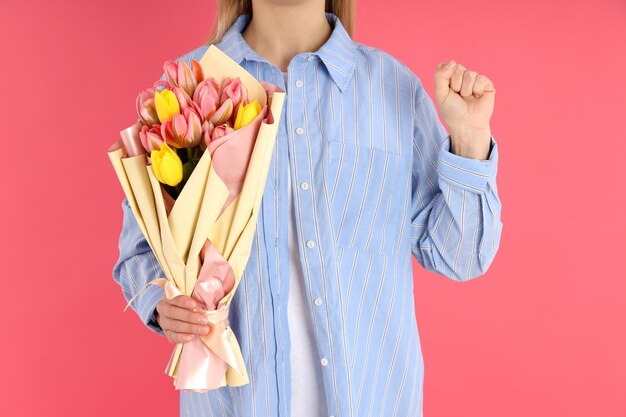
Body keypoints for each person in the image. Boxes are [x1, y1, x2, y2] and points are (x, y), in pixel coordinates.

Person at [112, 0, 503, 416]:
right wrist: (163, 305)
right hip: (236, 405)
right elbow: (139, 253)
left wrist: (470, 139)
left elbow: (461, 256)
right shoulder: (187, 89)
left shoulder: (394, 88)